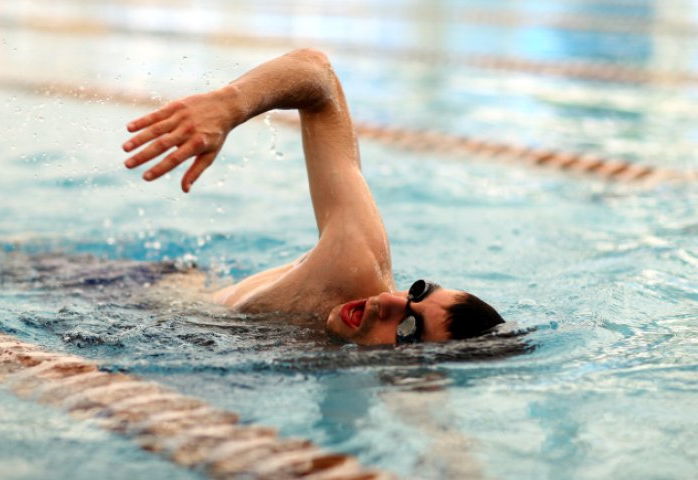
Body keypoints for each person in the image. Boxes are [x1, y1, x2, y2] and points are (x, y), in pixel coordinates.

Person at [122, 49, 504, 345]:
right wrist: (229, 104)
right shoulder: (355, 268)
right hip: (134, 290)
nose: (387, 301)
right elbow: (318, 75)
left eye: (408, 328)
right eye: (418, 292)